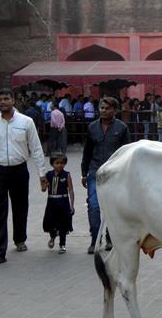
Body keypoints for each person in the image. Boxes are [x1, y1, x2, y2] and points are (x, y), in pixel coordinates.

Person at [0, 88, 48, 267]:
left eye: (6, 99)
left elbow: (36, 148)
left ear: (13, 101)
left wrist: (42, 173)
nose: (3, 102)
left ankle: (20, 239)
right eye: (0, 99)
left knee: (20, 207)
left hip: (19, 170)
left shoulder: (26, 122)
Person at [81, 97, 131, 254]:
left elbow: (127, 153)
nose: (103, 110)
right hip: (95, 172)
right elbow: (87, 151)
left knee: (112, 208)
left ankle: (111, 237)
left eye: (107, 108)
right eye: (101, 108)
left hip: (115, 173)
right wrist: (84, 172)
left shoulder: (122, 128)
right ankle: (95, 239)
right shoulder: (92, 127)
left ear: (115, 111)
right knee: (94, 206)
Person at [43, 153, 74, 254]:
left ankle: (62, 244)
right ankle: (52, 236)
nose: (59, 165)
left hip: (63, 203)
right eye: (57, 163)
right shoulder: (48, 175)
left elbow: (71, 190)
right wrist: (44, 185)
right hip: (51, 202)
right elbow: (43, 189)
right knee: (50, 221)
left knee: (63, 224)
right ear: (52, 164)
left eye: (62, 163)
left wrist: (72, 205)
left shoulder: (66, 175)